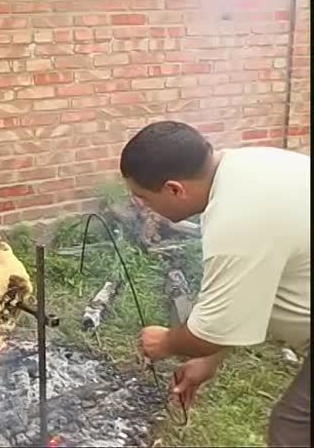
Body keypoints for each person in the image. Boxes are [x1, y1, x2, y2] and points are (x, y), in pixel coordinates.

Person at [120, 121, 310, 447]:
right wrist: (208, 360)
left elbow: (205, 335)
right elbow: (244, 294)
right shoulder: (244, 167)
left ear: (174, 189)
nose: (141, 206)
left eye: (142, 197)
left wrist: (165, 342)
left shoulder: (236, 221)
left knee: (292, 431)